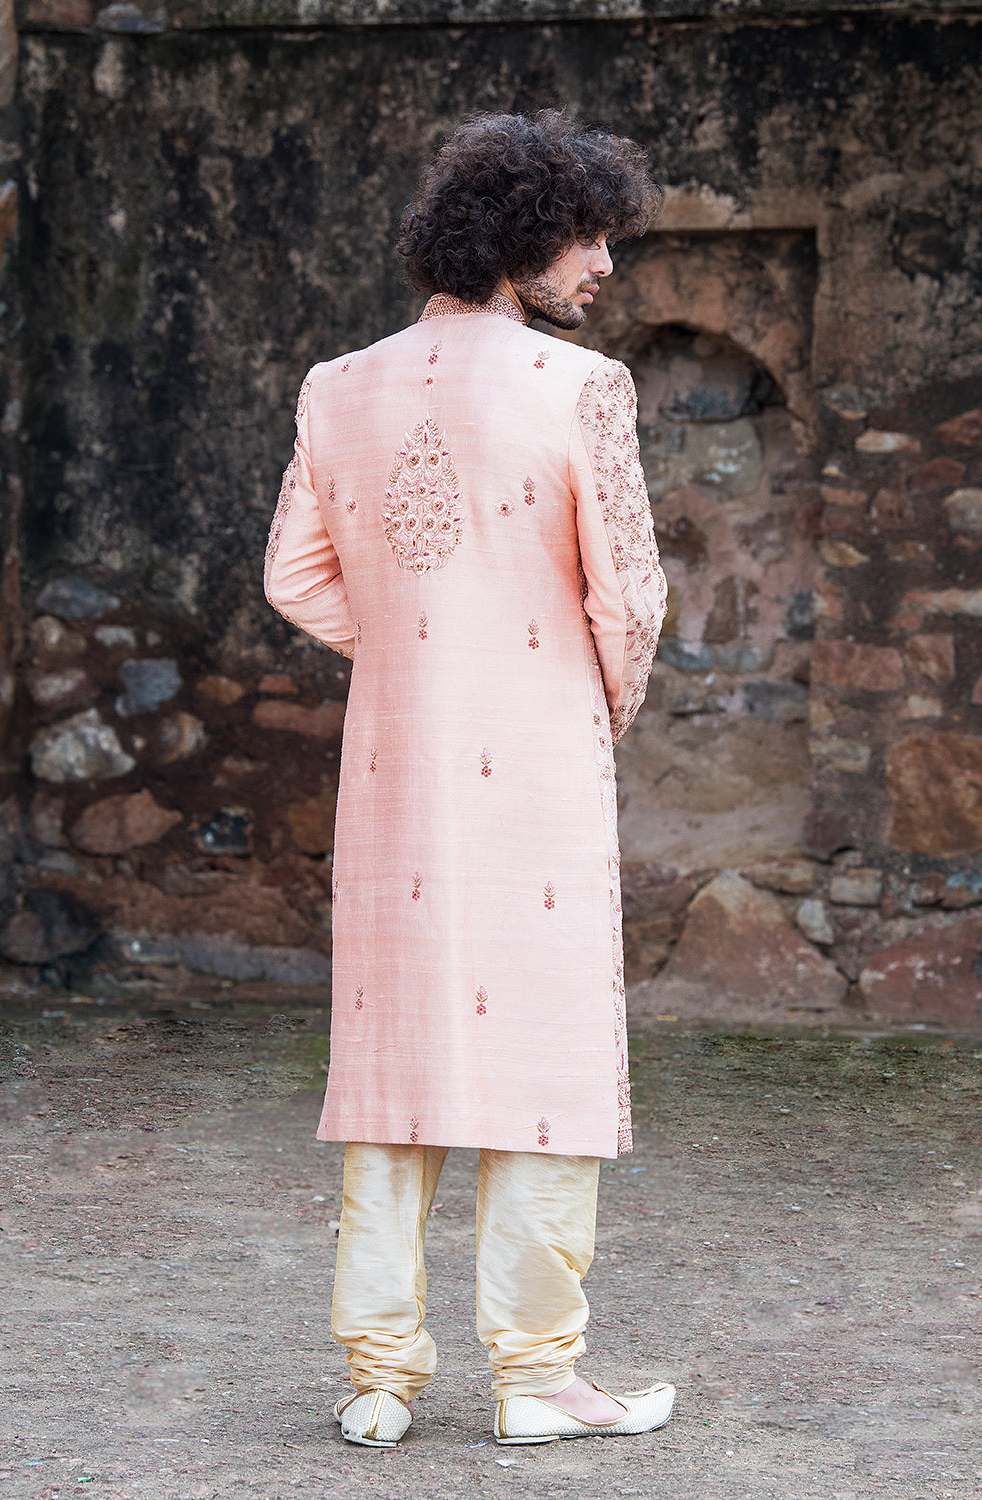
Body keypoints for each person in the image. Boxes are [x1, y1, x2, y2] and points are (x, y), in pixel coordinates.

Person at [264, 109, 672, 1449]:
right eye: (589, 235)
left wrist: (410, 658)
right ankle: (538, 1378)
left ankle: (381, 1377)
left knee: (394, 1059)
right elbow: (627, 600)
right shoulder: (583, 389)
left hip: (394, 762)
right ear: (520, 235)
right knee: (545, 1062)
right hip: (537, 763)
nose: (603, 265)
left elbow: (296, 579)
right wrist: (586, 699)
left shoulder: (337, 385)